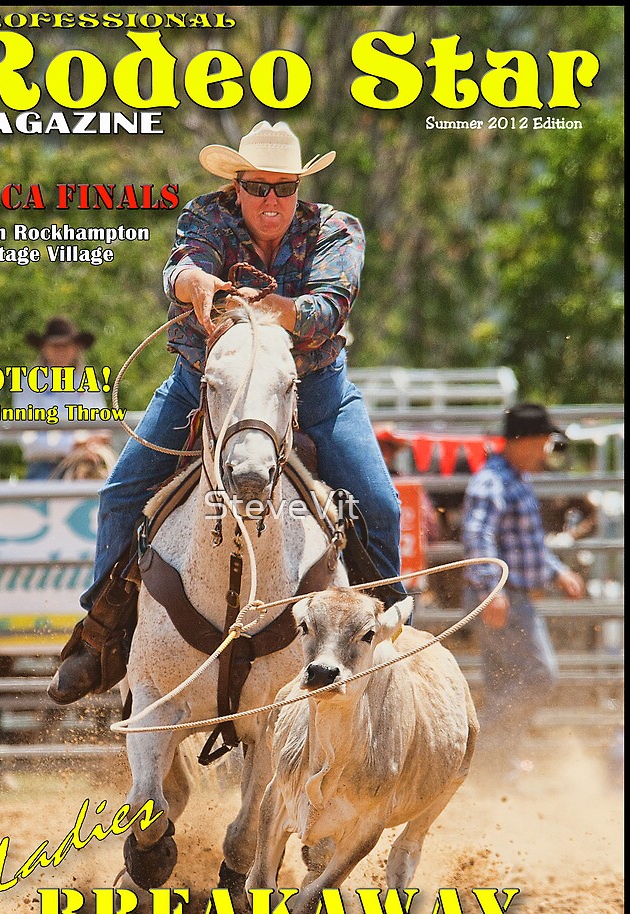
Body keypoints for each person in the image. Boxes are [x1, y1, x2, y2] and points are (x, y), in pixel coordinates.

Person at [48, 120, 407, 705]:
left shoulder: (338, 229)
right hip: (205, 381)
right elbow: (182, 265)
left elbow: (325, 312)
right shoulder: (205, 215)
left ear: (299, 188)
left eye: (284, 188)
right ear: (236, 186)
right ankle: (101, 636)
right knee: (120, 493)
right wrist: (194, 282)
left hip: (309, 386)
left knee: (379, 501)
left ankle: (388, 631)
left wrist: (261, 305)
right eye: (258, 186)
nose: (272, 200)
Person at [461, 402, 586, 782]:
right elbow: (477, 534)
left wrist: (557, 571)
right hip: (504, 595)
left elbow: (527, 543)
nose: (547, 450)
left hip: (509, 594)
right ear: (526, 441)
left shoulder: (511, 479)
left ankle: (496, 772)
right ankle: (483, 754)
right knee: (537, 674)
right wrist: (490, 587)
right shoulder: (494, 481)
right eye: (544, 441)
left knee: (505, 683)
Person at [18, 317, 111, 480]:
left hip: (90, 464)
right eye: (55, 346)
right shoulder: (29, 383)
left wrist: (94, 443)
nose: (61, 351)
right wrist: (75, 443)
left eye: (66, 345)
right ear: (44, 348)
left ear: (76, 348)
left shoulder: (89, 382)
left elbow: (102, 425)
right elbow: (28, 442)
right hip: (46, 467)